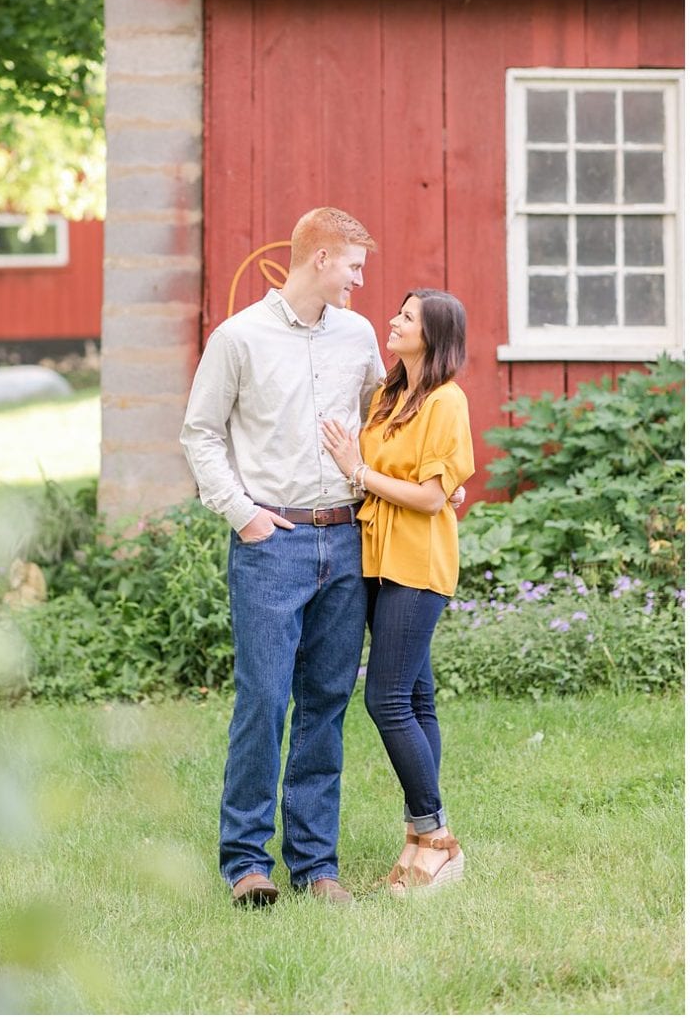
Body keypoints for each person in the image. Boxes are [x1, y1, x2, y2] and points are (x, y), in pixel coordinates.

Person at [181, 207, 385, 907]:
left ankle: (316, 864)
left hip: (346, 537)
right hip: (274, 544)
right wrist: (243, 516)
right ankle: (246, 862)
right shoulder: (238, 338)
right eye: (354, 265)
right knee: (265, 701)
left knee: (326, 703)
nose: (360, 280)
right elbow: (200, 434)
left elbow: (383, 421)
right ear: (321, 257)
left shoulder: (358, 336)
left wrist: (418, 484)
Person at [320, 289, 474, 896]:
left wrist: (355, 471)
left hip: (417, 563)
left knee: (384, 701)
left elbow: (434, 497)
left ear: (432, 335)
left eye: (407, 317)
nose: (394, 319)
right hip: (378, 560)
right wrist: (363, 474)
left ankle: (436, 836)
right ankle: (419, 841)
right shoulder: (388, 396)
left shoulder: (446, 401)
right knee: (415, 698)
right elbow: (398, 479)